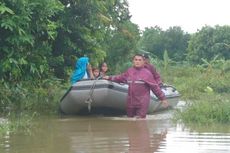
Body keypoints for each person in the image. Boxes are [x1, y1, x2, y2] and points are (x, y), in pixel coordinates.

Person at [103, 54, 169, 118]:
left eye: (140, 60)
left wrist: (162, 99)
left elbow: (155, 87)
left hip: (142, 102)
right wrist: (109, 77)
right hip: (130, 101)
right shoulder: (129, 71)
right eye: (136, 60)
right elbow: (120, 78)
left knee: (140, 122)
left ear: (143, 62)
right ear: (133, 61)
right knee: (130, 121)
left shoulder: (147, 73)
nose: (137, 61)